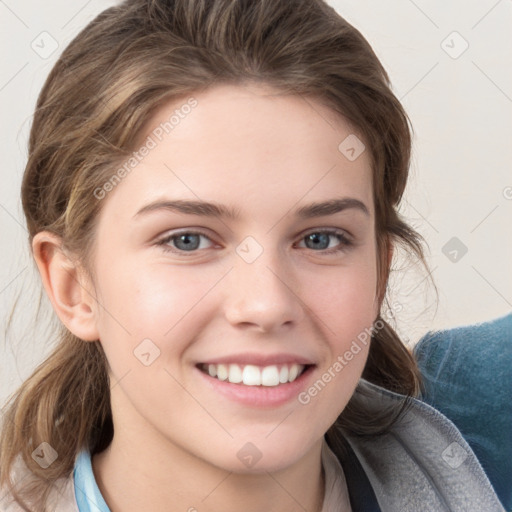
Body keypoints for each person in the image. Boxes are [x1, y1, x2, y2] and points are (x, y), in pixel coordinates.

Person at [0, 0, 504, 510]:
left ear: (379, 273)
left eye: (320, 239)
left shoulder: (489, 438)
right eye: (187, 240)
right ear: (72, 285)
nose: (266, 305)